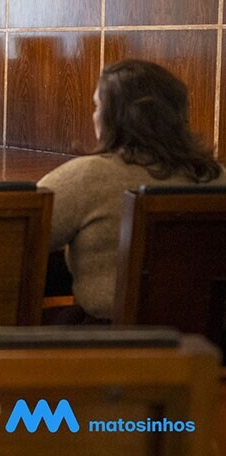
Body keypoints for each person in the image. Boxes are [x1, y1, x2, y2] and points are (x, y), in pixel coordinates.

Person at [38, 59, 226, 321]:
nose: (94, 115)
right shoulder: (217, 177)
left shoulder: (86, 177)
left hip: (111, 337)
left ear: (113, 118)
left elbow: (19, 234)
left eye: (97, 106)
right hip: (206, 337)